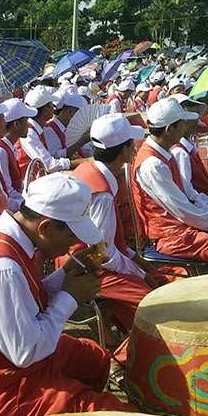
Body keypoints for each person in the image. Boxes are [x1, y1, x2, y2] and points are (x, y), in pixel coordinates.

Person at [0, 173, 134, 416]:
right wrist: (70, 297)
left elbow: (23, 298)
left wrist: (63, 275)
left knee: (96, 359)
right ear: (45, 227)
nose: (74, 243)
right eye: (72, 236)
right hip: (9, 385)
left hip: (20, 361)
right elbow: (25, 352)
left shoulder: (4, 233)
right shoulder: (2, 268)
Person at [72, 114, 154, 341]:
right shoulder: (102, 194)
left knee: (150, 279)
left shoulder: (89, 170)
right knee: (155, 305)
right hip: (89, 269)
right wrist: (137, 272)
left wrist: (137, 262)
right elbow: (102, 253)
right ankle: (131, 357)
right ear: (125, 150)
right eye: (132, 144)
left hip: (90, 261)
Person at [131, 98, 208, 267]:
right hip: (173, 236)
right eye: (182, 124)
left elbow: (189, 195)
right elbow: (183, 210)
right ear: (170, 129)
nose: (187, 127)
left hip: (182, 229)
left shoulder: (163, 155)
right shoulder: (153, 164)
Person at [168, 96, 208, 215]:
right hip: (203, 206)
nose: (198, 120)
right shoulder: (179, 152)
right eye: (193, 116)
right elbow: (188, 193)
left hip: (206, 199)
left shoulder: (187, 146)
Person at [16, 87, 83, 174]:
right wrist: (82, 161)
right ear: (45, 110)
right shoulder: (29, 133)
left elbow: (52, 157)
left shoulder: (37, 129)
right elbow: (49, 165)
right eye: (51, 105)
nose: (54, 108)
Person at [0, 98, 34, 197]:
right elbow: (7, 192)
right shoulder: (1, 151)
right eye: (26, 120)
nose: (29, 125)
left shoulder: (6, 147)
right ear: (17, 124)